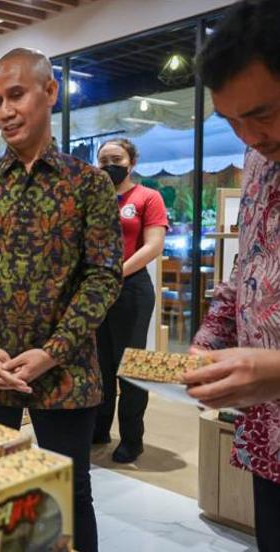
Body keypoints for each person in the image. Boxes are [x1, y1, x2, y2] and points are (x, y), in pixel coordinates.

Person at [0, 48, 123, 552]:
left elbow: (103, 276)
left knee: (70, 493)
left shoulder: (88, 184)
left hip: (65, 372)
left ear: (50, 92)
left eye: (16, 95)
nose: (5, 111)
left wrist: (53, 351)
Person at [181, 1, 280, 549]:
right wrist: (209, 341)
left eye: (262, 113)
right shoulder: (260, 160)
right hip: (269, 432)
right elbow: (248, 268)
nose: (249, 136)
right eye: (231, 122)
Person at [92, 138, 168, 463]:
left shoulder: (148, 197)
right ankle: (98, 430)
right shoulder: (94, 198)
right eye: (104, 160)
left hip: (132, 288)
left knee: (130, 366)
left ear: (132, 162)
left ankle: (132, 439)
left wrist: (117, 272)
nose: (110, 165)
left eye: (117, 159)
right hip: (97, 290)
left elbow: (154, 245)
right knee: (100, 365)